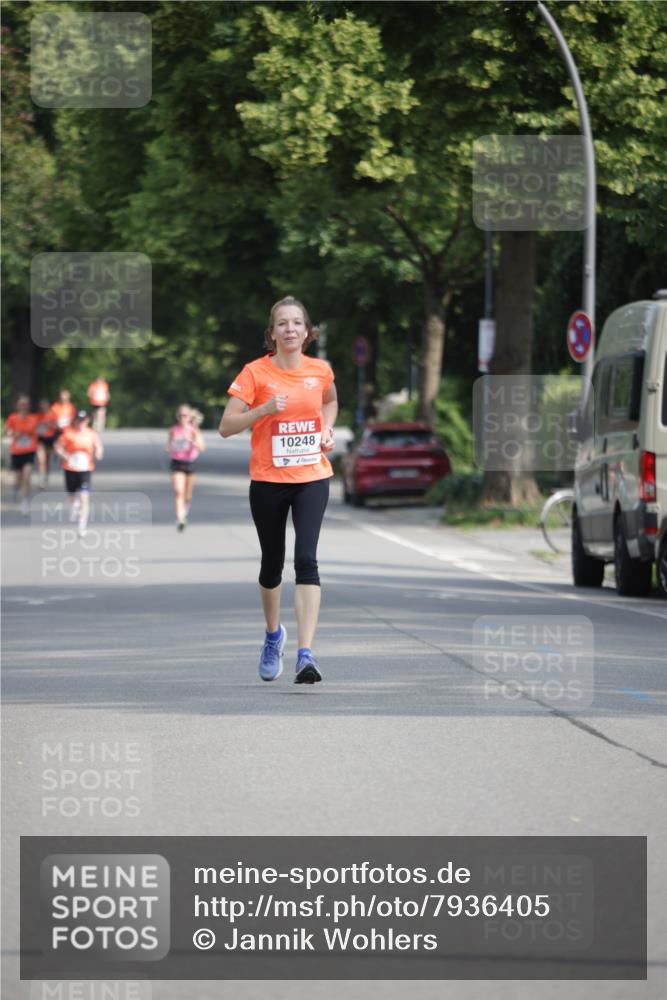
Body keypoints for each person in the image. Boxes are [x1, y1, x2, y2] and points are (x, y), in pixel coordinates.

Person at [219, 295, 337, 685]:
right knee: (272, 566)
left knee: (307, 559)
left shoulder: (320, 371)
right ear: (272, 334)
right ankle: (273, 636)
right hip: (268, 481)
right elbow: (226, 426)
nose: (290, 329)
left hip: (312, 477)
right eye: (282, 323)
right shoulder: (254, 373)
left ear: (307, 332)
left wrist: (326, 428)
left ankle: (306, 654)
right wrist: (263, 410)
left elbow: (330, 401)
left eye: (296, 323)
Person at [54, 410, 103, 537]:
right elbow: (58, 446)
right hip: (70, 469)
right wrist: (65, 455)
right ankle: (74, 505)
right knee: (72, 496)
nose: (81, 422)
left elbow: (98, 445)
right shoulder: (68, 434)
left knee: (84, 497)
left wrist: (98, 452)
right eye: (79, 420)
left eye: (84, 420)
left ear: (87, 421)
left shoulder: (91, 434)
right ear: (75, 421)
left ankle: (82, 525)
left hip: (85, 470)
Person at [165, 404, 206, 531]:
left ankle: (184, 511)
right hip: (177, 462)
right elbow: (168, 446)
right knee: (178, 492)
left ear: (189, 417)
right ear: (177, 417)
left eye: (185, 415)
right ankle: (180, 519)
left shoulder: (194, 430)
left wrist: (192, 442)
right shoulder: (173, 430)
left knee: (187, 496)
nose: (183, 418)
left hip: (190, 463)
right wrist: (169, 448)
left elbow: (202, 448)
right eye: (180, 415)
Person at [4, 394, 40, 516]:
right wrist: (14, 433)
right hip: (17, 451)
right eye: (22, 404)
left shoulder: (34, 418)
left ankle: (25, 502)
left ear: (29, 406)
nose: (24, 406)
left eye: (26, 404)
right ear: (17, 405)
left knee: (27, 476)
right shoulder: (13, 418)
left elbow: (39, 431)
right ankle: (16, 488)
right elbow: (7, 432)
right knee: (18, 478)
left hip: (29, 451)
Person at [35, 398, 58, 488]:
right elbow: (33, 427)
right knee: (41, 460)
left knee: (47, 460)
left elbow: (57, 426)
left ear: (48, 406)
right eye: (41, 406)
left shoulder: (52, 415)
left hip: (50, 439)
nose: (42, 407)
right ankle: (41, 480)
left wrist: (50, 425)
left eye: (44, 405)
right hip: (40, 439)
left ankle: (46, 477)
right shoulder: (37, 416)